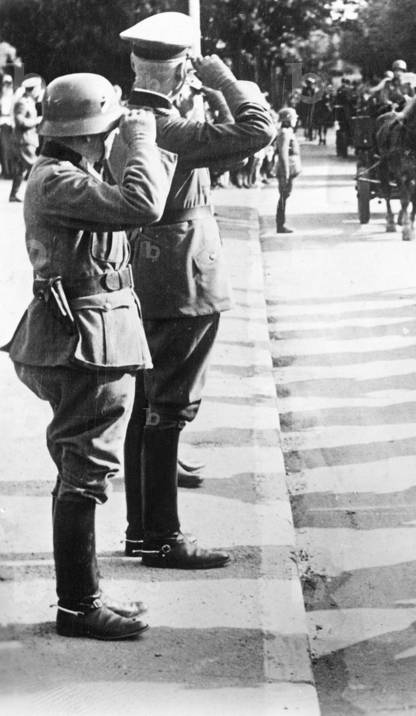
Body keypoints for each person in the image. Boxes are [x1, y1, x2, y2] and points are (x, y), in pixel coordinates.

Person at [3, 73, 175, 638]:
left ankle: (85, 595)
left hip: (91, 333)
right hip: (85, 343)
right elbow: (144, 202)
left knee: (84, 469)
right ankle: (77, 606)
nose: (110, 138)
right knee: (84, 471)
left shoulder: (68, 173)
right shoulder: (58, 182)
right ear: (85, 133)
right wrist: (143, 138)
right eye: (105, 130)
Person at [114, 11, 276, 568]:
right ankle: (163, 537)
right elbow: (259, 130)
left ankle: (142, 530)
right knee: (169, 409)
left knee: (145, 407)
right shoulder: (170, 129)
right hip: (182, 281)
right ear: (182, 70)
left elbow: (236, 149)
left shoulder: (133, 119)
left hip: (148, 276)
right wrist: (227, 79)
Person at [9, 73, 42, 202]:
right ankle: (38, 197)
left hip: (26, 140)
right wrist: (37, 121)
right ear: (33, 89)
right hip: (24, 141)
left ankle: (13, 195)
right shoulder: (22, 103)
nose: (39, 90)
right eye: (38, 88)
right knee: (35, 168)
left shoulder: (28, 101)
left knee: (20, 169)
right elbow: (20, 122)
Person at [275, 107, 302, 233]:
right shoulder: (285, 133)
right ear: (288, 119)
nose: (296, 119)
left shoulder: (288, 132)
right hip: (286, 168)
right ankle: (280, 225)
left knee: (285, 195)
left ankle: (281, 224)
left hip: (290, 168)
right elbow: (283, 154)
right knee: (283, 196)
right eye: (294, 117)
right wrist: (285, 174)